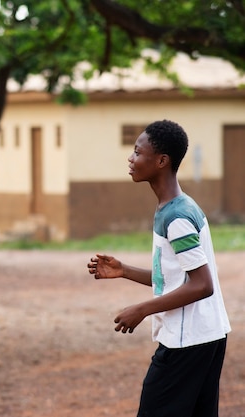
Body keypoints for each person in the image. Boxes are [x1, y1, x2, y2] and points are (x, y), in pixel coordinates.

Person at [87, 120, 231, 417]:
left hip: (187, 340)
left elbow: (202, 284)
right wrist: (123, 270)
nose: (131, 158)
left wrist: (142, 309)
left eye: (138, 152)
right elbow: (179, 277)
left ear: (161, 161)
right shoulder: (177, 206)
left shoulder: (177, 217)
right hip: (207, 334)